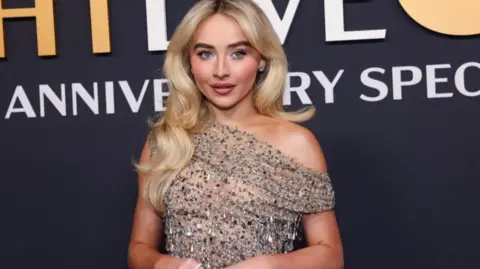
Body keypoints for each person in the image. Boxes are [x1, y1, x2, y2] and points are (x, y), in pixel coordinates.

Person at [128, 0, 343, 269]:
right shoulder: (166, 143)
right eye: (205, 54)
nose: (221, 71)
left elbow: (331, 255)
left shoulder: (297, 144)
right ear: (188, 62)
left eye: (238, 53)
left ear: (262, 59)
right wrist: (163, 265)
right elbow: (139, 250)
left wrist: (268, 266)